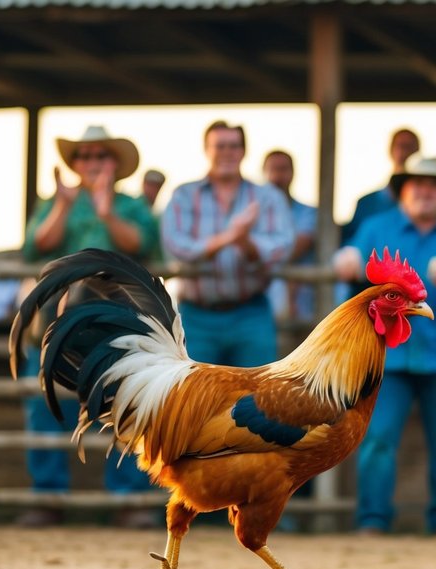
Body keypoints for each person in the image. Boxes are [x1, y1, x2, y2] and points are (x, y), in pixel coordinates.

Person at [334, 155, 436, 536]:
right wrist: (346, 260)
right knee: (378, 440)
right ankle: (372, 520)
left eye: (434, 186)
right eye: (417, 184)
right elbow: (347, 262)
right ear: (403, 189)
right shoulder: (374, 227)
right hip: (385, 358)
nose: (425, 191)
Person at [20, 125, 162, 528]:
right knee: (44, 403)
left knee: (128, 402)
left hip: (118, 319)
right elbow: (35, 245)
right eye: (84, 156)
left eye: (100, 156)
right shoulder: (54, 204)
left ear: (114, 164)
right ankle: (47, 497)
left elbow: (142, 244)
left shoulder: (132, 206)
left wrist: (105, 213)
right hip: (57, 320)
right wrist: (64, 206)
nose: (92, 163)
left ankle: (129, 498)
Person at [163, 119, 293, 368]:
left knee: (257, 396)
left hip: (251, 313)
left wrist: (246, 243)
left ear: (243, 151)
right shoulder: (184, 194)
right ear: (207, 150)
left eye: (233, 146)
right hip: (196, 315)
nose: (227, 153)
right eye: (220, 146)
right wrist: (230, 237)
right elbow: (176, 246)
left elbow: (281, 247)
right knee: (196, 400)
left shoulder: (267, 196)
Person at [337, 128, 420, 302]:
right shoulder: (367, 205)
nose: (405, 152)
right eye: (401, 146)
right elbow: (352, 248)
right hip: (374, 300)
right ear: (391, 150)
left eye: (411, 147)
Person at [262, 149, 317, 323]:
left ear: (293, 173)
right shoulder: (254, 213)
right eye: (273, 169)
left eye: (283, 169)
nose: (278, 175)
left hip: (303, 302)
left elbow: (297, 248)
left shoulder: (309, 213)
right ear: (264, 173)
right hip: (264, 301)